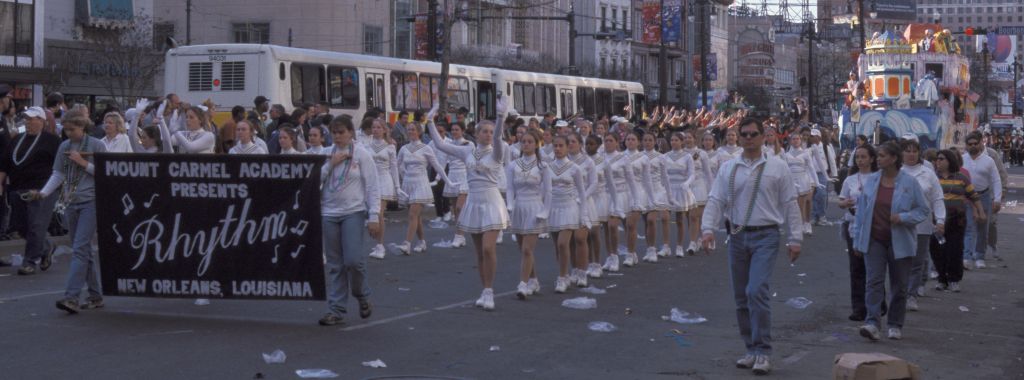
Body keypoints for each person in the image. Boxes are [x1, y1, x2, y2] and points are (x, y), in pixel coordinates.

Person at [701, 118, 803, 375]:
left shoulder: (777, 167)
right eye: (743, 134)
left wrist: (795, 238)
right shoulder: (729, 167)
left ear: (763, 137)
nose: (748, 138)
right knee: (740, 297)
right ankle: (750, 348)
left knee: (756, 290)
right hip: (736, 235)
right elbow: (716, 198)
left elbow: (790, 203)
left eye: (753, 134)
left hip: (766, 235)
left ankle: (763, 350)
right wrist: (707, 230)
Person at [426, 96, 509, 311]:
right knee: (480, 252)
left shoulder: (498, 151)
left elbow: (499, 138)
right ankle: (485, 289)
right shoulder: (466, 151)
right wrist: (429, 120)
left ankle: (490, 292)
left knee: (490, 248)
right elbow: (439, 144)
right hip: (474, 201)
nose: (488, 135)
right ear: (476, 133)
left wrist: (500, 117)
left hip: (492, 202)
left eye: (491, 132)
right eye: (485, 131)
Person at [851, 141, 930, 342]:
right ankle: (872, 322)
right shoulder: (872, 180)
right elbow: (861, 212)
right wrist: (857, 238)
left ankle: (895, 323)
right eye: (877, 155)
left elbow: (922, 210)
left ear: (894, 159)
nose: (878, 159)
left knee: (899, 285)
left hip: (900, 241)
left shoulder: (909, 183)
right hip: (874, 239)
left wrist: (902, 217)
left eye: (882, 155)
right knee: (874, 281)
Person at [24, 116, 105, 313]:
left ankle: (72, 297)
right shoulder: (64, 146)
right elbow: (58, 174)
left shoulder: (96, 145)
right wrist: (43, 193)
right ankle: (95, 295)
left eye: (73, 129)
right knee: (83, 250)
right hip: (71, 201)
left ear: (83, 127)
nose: (69, 133)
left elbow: (105, 172)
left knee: (79, 248)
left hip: (91, 202)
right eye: (66, 130)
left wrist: (83, 163)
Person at [318, 117, 381, 326]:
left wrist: (374, 216)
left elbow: (372, 186)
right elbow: (313, 180)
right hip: (329, 212)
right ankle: (336, 308)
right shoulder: (326, 153)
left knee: (353, 260)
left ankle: (361, 295)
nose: (337, 137)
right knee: (335, 264)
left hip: (353, 211)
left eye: (341, 132)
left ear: (351, 133)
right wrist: (330, 165)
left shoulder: (361, 154)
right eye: (334, 132)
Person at [0, 107, 62, 274]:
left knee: (36, 225)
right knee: (19, 226)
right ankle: (46, 248)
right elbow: (5, 163)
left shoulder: (53, 141)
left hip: (42, 189)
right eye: (26, 119)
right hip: (18, 188)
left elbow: (61, 167)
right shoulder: (17, 139)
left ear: (42, 121)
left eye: (32, 119)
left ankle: (30, 262)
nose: (28, 122)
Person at [899, 138, 945, 312]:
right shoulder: (896, 172)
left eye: (914, 151)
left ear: (919, 153)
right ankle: (900, 292)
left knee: (917, 262)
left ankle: (912, 295)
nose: (911, 154)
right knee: (901, 261)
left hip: (922, 226)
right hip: (900, 224)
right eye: (907, 151)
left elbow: (937, 198)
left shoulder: (928, 173)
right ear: (901, 153)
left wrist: (940, 220)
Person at [932, 149, 983, 293]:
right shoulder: (932, 177)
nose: (938, 161)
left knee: (954, 249)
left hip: (956, 219)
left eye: (942, 159)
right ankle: (942, 279)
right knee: (938, 250)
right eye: (937, 159)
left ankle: (954, 279)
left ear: (949, 161)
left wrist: (980, 211)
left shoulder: (961, 178)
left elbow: (974, 195)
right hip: (937, 220)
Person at [395, 123, 450, 255]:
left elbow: (437, 165)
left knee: (412, 214)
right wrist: (401, 178)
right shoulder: (403, 149)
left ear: (419, 132)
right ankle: (422, 242)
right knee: (417, 217)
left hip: (421, 183)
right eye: (408, 129)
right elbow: (397, 166)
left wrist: (447, 181)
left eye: (413, 129)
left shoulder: (426, 148)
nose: (410, 132)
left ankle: (406, 244)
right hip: (408, 184)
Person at [507, 130, 550, 299]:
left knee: (527, 249)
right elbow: (510, 187)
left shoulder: (543, 166)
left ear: (537, 144)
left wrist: (545, 210)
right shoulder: (513, 165)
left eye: (530, 141)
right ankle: (533, 279)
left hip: (534, 208)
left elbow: (548, 191)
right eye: (523, 141)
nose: (526, 144)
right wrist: (509, 204)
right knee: (523, 249)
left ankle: (522, 284)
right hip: (519, 207)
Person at [838, 144, 878, 321]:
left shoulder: (878, 178)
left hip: (873, 226)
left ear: (872, 158)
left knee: (873, 267)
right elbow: (841, 201)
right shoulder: (850, 180)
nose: (860, 160)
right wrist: (845, 203)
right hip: (853, 224)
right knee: (856, 268)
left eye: (863, 157)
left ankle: (877, 303)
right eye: (858, 157)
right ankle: (858, 307)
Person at [546, 135, 588, 292]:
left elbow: (582, 193)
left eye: (561, 146)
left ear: (566, 147)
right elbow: (544, 191)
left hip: (569, 207)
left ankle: (563, 277)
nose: (557, 148)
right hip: (553, 208)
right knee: (559, 246)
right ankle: (568, 271)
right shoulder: (547, 167)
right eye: (555, 146)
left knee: (563, 243)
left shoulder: (574, 168)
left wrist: (583, 215)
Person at [961, 132, 1002, 269]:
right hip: (967, 198)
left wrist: (997, 199)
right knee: (968, 227)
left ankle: (979, 256)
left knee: (983, 228)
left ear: (980, 143)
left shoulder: (988, 160)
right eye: (970, 144)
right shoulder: (962, 159)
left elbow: (996, 180)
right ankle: (966, 257)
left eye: (975, 143)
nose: (973, 146)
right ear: (966, 145)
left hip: (984, 196)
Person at [367, 119, 399, 259]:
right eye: (374, 127)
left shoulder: (390, 146)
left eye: (379, 127)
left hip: (385, 180)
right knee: (372, 213)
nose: (376, 130)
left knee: (379, 212)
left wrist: (398, 186)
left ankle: (380, 246)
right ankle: (377, 242)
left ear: (384, 130)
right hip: (370, 182)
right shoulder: (366, 145)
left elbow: (394, 167)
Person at [621, 132, 654, 267]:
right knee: (626, 225)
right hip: (623, 192)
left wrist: (652, 198)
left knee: (630, 223)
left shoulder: (643, 158)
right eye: (628, 139)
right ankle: (633, 253)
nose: (630, 141)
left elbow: (647, 179)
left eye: (633, 139)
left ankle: (630, 253)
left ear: (638, 142)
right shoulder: (620, 157)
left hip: (639, 192)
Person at [664, 132, 697, 257]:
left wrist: (687, 183)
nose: (673, 142)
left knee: (679, 220)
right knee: (664, 218)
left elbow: (692, 174)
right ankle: (666, 246)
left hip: (681, 189)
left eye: (676, 140)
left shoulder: (687, 156)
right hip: (668, 189)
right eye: (672, 140)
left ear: (681, 142)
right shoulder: (665, 156)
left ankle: (679, 246)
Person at [642, 133, 673, 261]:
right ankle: (650, 247)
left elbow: (665, 176)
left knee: (657, 218)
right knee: (646, 221)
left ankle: (664, 246)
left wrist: (669, 193)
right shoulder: (638, 157)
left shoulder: (660, 157)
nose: (648, 142)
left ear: (655, 142)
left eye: (650, 140)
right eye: (645, 140)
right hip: (643, 191)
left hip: (658, 189)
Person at [682, 131, 714, 255]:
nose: (688, 140)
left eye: (690, 137)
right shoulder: (681, 154)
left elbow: (708, 173)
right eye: (685, 138)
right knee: (690, 217)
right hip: (685, 187)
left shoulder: (702, 153)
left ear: (695, 139)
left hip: (699, 186)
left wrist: (711, 190)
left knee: (694, 216)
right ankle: (699, 238)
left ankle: (692, 243)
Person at [443, 122, 474, 248]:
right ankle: (460, 234)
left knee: (460, 208)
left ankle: (459, 235)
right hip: (452, 176)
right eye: (452, 130)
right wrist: (439, 177)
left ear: (463, 130)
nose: (454, 132)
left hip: (464, 176)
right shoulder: (449, 144)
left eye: (457, 129)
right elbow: (444, 160)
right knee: (455, 209)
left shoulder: (469, 144)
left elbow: (472, 160)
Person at [783, 133, 821, 235]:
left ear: (800, 141)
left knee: (803, 203)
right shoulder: (786, 155)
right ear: (790, 141)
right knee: (793, 205)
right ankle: (797, 225)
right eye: (793, 139)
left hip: (804, 180)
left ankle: (806, 223)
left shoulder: (805, 153)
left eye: (797, 139)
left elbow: (812, 168)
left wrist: (817, 182)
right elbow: (784, 170)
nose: (795, 140)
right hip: (791, 181)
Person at [583, 135, 610, 277]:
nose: (588, 146)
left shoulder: (603, 161)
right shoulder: (582, 161)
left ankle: (597, 263)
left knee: (595, 232)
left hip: (599, 198)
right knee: (585, 234)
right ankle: (589, 263)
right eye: (586, 144)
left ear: (599, 145)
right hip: (586, 199)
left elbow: (609, 183)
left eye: (592, 144)